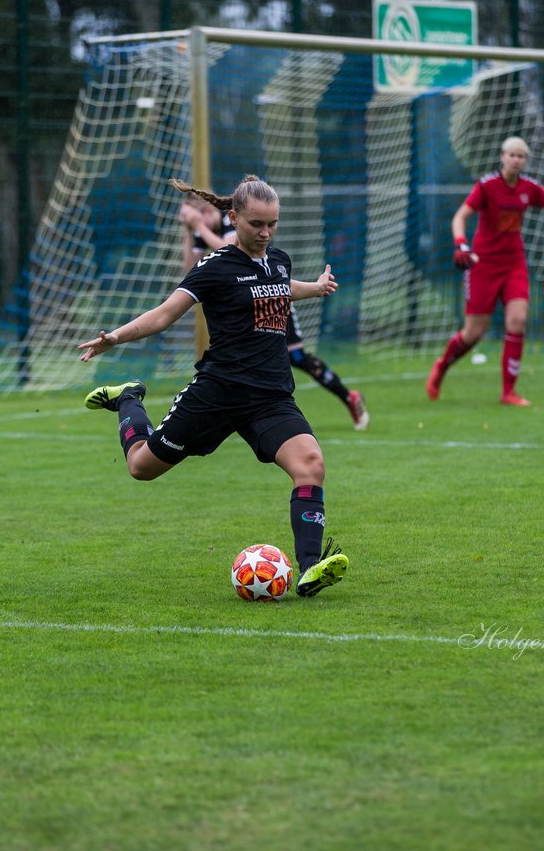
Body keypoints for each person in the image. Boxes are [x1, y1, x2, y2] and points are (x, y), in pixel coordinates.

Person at [80, 174, 349, 598]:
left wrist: (313, 289)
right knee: (141, 468)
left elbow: (276, 289)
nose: (265, 233)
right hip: (218, 393)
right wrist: (115, 336)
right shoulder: (215, 266)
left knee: (310, 465)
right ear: (233, 218)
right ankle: (129, 397)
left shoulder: (278, 260)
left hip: (270, 397)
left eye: (272, 224)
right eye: (256, 224)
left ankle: (311, 568)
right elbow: (165, 314)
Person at [426, 136, 544, 406]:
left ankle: (509, 392)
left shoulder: (528, 188)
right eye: (512, 155)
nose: (516, 160)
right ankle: (442, 367)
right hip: (482, 264)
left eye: (521, 156)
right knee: (473, 334)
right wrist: (461, 244)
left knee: (517, 321)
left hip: (514, 263)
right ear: (502, 157)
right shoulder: (487, 186)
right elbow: (460, 216)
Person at [178, 189, 369, 431]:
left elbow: (228, 253)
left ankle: (348, 397)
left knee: (297, 356)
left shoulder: (230, 221)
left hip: (271, 299)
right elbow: (190, 271)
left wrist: (199, 227)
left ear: (207, 211)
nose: (264, 230)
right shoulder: (202, 229)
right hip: (243, 306)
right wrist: (190, 231)